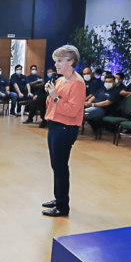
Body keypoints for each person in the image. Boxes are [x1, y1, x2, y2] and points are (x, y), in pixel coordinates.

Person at [42, 46, 86, 217]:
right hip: (54, 125)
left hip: (65, 129)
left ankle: (62, 206)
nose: (56, 64)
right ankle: (58, 197)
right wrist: (50, 94)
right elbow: (51, 103)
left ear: (71, 62)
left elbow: (71, 111)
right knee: (55, 165)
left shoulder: (77, 83)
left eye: (59, 61)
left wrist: (55, 97)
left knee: (60, 167)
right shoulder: (61, 80)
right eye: (56, 61)